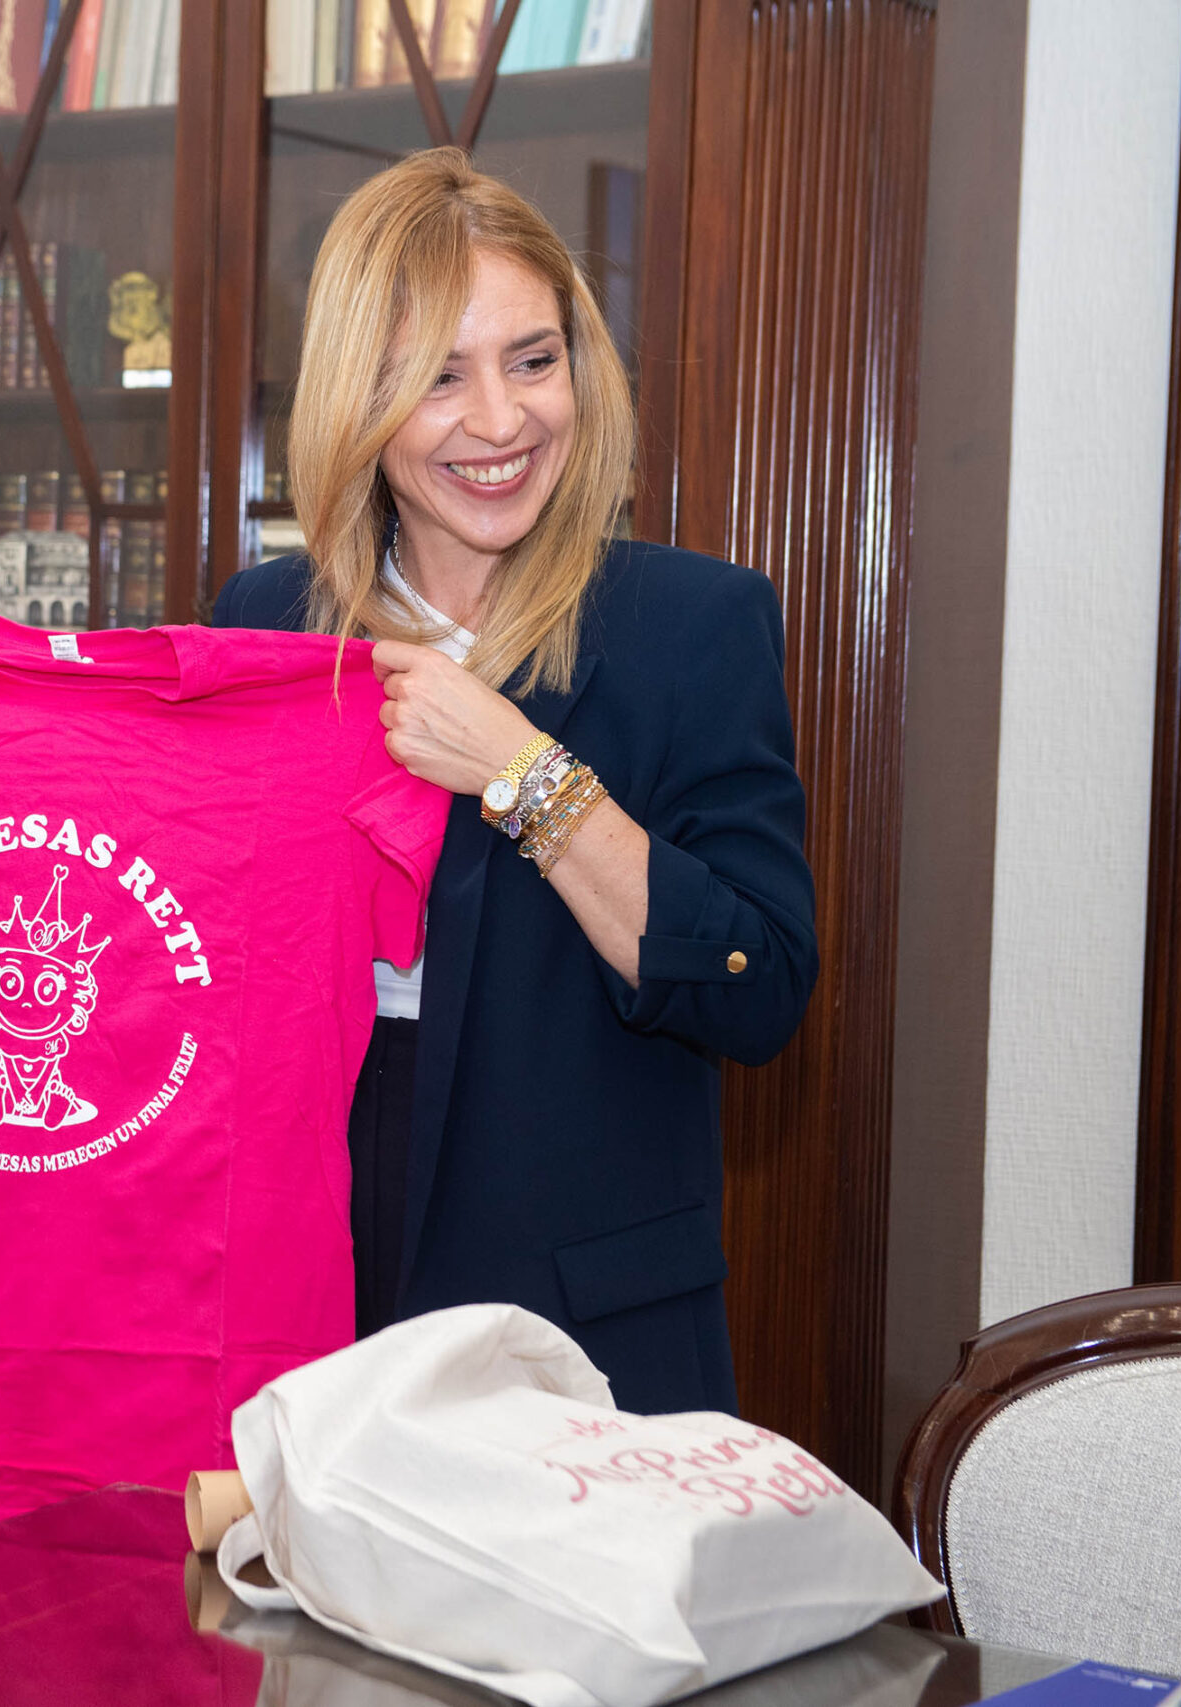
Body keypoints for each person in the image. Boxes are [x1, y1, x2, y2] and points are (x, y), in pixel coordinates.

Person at [212, 150, 816, 1415]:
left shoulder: (689, 624)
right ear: (357, 399)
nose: (499, 421)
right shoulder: (265, 624)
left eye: (532, 361)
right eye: (438, 376)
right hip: (304, 1282)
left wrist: (527, 776)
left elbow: (755, 988)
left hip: (579, 1323)